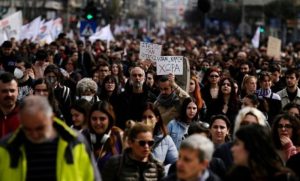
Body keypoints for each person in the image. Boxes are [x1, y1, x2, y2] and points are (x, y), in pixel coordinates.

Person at [0, 95, 101, 180]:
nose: (34, 134)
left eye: (40, 128)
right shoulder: (6, 147)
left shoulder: (75, 142)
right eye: (27, 129)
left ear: (51, 118)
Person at [227, 124, 297, 181]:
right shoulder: (234, 175)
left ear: (251, 146)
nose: (232, 149)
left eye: (237, 144)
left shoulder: (284, 178)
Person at [82, 101, 123, 172]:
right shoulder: (83, 137)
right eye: (94, 119)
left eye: (102, 119)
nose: (98, 123)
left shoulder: (119, 136)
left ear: (109, 120)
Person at [140, 102, 178, 171]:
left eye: (150, 117)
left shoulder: (166, 139)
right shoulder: (134, 139)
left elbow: (175, 163)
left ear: (157, 119)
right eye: (144, 117)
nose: (146, 121)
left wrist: (162, 171)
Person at [0, 72, 19, 138]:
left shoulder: (26, 114)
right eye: (4, 91)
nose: (9, 94)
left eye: (12, 90)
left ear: (17, 91)